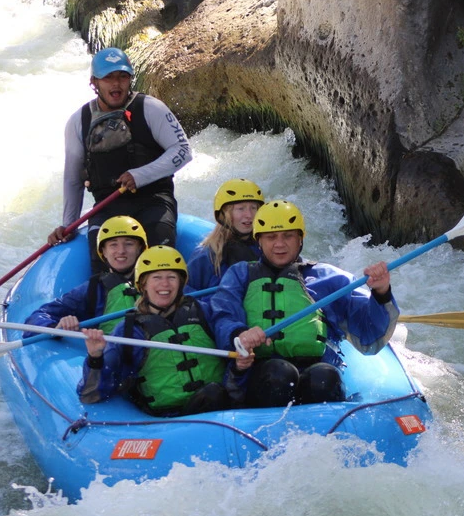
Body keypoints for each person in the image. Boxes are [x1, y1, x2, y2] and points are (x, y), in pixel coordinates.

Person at [209, 200, 399, 408]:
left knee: (324, 378)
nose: (279, 244)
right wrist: (240, 334)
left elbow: (370, 336)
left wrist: (381, 292)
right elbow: (223, 314)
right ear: (259, 241)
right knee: (278, 373)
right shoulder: (240, 275)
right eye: (271, 237)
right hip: (262, 375)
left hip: (317, 372)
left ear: (300, 239)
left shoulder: (329, 278)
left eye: (288, 236)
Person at [47, 47, 192, 274]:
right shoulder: (79, 121)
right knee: (102, 273)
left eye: (122, 76)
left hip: (153, 201)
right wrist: (69, 224)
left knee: (159, 262)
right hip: (106, 207)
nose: (116, 84)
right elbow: (73, 179)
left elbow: (183, 150)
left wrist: (140, 175)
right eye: (108, 77)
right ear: (94, 82)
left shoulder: (150, 108)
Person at [77, 245, 248, 416]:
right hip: (167, 421)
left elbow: (227, 331)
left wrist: (240, 356)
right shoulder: (130, 331)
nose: (164, 284)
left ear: (181, 283)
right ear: (143, 284)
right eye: (156, 277)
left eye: (171, 277)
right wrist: (95, 358)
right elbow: (91, 394)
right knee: (212, 394)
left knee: (214, 393)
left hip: (219, 407)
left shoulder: (203, 311)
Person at [25, 216, 148, 335]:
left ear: (140, 249)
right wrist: (55, 327)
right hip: (107, 348)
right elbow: (37, 317)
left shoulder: (155, 283)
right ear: (104, 252)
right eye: (113, 245)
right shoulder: (93, 288)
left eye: (129, 244)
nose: (121, 251)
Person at [186, 178, 265, 293]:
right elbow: (186, 294)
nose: (249, 215)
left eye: (253, 208)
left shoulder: (267, 247)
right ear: (225, 214)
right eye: (241, 208)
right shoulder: (207, 254)